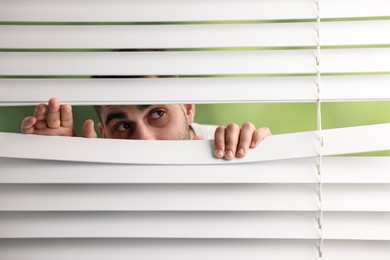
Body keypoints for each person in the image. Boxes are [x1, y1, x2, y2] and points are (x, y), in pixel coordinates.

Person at [21, 98, 271, 160]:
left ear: (188, 108)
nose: (145, 140)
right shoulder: (102, 165)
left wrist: (260, 160)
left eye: (157, 113)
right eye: (123, 125)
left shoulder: (232, 147)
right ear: (104, 134)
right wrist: (58, 171)